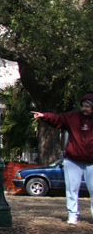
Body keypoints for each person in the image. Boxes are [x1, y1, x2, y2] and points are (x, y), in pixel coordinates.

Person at [32, 94, 93, 225]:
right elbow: (58, 119)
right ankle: (72, 215)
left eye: (87, 106)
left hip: (91, 161)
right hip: (73, 159)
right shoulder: (73, 117)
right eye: (83, 106)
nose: (84, 109)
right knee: (72, 189)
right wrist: (44, 116)